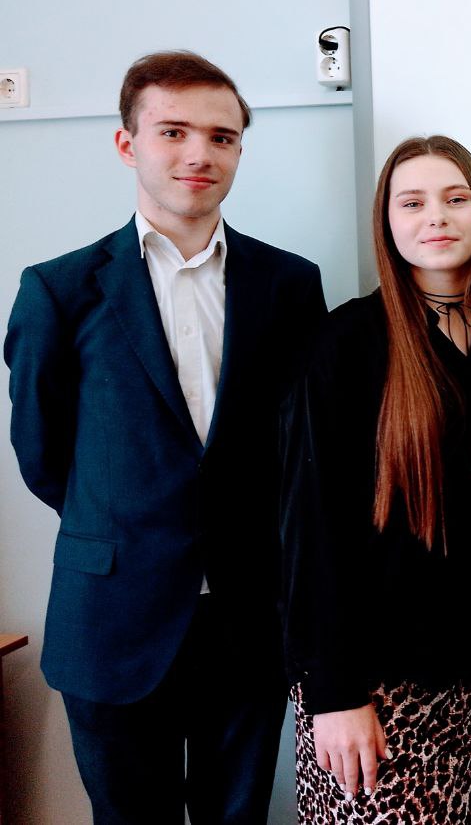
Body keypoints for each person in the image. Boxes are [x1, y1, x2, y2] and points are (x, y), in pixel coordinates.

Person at [4, 50, 326, 823]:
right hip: (111, 618)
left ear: (239, 150)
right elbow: (43, 453)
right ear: (128, 144)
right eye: (173, 131)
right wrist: (128, 526)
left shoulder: (289, 285)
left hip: (248, 618)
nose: (198, 153)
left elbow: (300, 455)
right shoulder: (59, 289)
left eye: (222, 137)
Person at [280, 135, 471, 823]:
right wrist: (333, 692)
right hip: (369, 687)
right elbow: (311, 526)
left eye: (456, 199)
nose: (436, 217)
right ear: (386, 223)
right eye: (412, 202)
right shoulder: (346, 342)